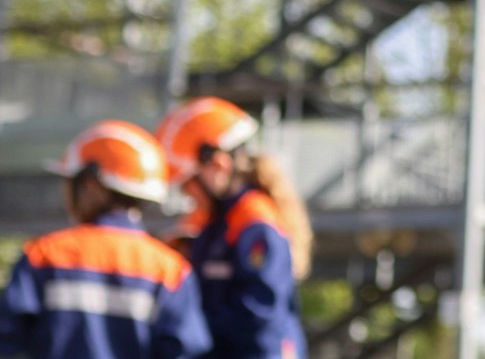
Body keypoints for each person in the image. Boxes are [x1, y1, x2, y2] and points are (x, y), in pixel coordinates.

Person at [0, 120, 211, 358]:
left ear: (91, 186)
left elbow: (9, 343)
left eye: (70, 181)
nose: (65, 191)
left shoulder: (43, 256)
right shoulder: (170, 271)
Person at [155, 98, 310, 359]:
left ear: (217, 165)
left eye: (187, 183)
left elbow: (260, 307)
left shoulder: (254, 222)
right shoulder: (214, 222)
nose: (187, 194)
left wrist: (192, 328)